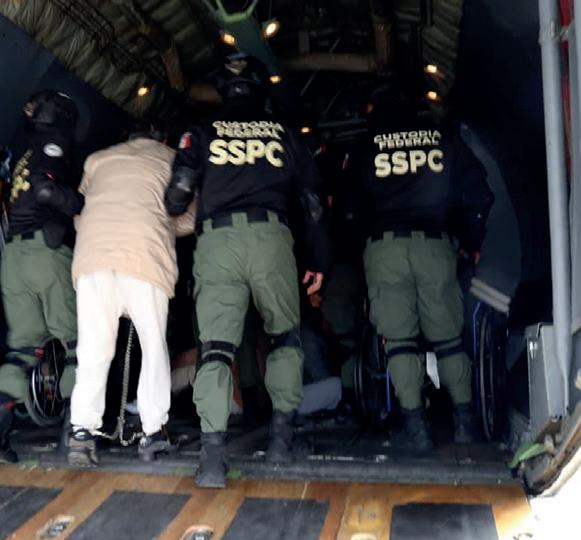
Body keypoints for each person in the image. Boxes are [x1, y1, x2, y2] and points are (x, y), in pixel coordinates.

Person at [165, 53, 331, 488]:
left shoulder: (201, 132)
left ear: (223, 90)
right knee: (284, 339)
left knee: (216, 349)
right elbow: (314, 204)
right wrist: (319, 261)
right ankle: (281, 442)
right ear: (261, 89)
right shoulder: (284, 133)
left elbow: (177, 197)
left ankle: (212, 460)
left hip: (218, 243)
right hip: (270, 238)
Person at [355, 84, 494, 450]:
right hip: (435, 246)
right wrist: (471, 241)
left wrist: (360, 251)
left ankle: (416, 429)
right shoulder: (443, 139)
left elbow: (347, 206)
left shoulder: (365, 146)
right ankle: (465, 423)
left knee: (399, 342)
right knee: (448, 340)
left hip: (384, 249)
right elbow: (480, 193)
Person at [66, 123, 195, 467]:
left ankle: (81, 433)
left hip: (93, 257)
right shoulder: (172, 159)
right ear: (161, 139)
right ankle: (153, 433)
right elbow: (188, 217)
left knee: (93, 350)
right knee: (153, 347)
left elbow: (81, 211)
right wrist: (159, 222)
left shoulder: (97, 160)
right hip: (144, 257)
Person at [0, 90, 83, 463]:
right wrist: (81, 205)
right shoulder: (53, 143)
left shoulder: (22, 153)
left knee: (22, 350)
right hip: (45, 252)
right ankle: (74, 433)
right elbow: (47, 189)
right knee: (77, 343)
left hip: (14, 258)